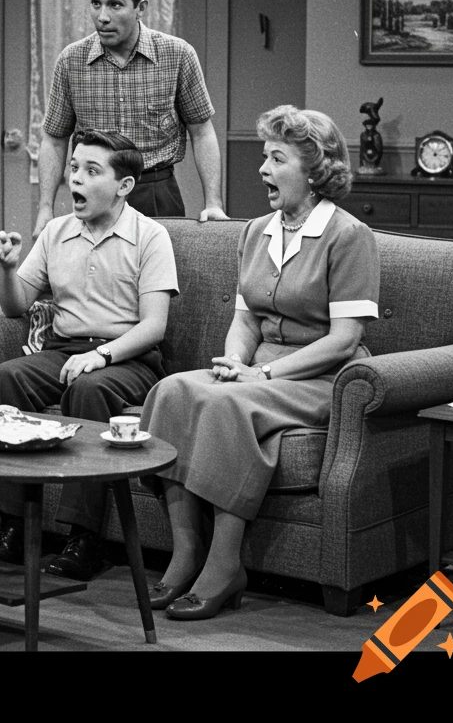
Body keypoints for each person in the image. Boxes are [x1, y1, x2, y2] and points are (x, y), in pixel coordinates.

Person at [139, 105, 379, 620]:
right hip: (261, 369)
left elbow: (344, 340)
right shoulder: (257, 232)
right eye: (263, 158)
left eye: (276, 159)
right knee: (173, 391)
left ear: (314, 170)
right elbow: (246, 320)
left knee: (231, 406)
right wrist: (233, 361)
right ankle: (186, 554)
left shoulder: (348, 236)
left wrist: (261, 375)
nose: (263, 171)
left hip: (322, 375)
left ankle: (225, 566)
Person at [0, 129, 178, 581]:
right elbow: (16, 307)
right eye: (74, 168)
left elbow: (154, 326)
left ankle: (84, 538)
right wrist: (8, 270)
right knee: (5, 379)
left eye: (92, 171)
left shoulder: (150, 236)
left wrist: (104, 356)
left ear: (124, 185)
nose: (77, 180)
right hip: (63, 349)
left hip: (128, 358)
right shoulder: (56, 232)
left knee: (88, 389)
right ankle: (13, 527)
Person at [34, 0, 228, 238]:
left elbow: (201, 132)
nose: (102, 16)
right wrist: (44, 209)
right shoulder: (71, 61)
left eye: (115, 4)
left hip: (155, 192)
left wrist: (213, 202)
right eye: (95, 3)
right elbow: (53, 139)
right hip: (95, 193)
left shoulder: (177, 55)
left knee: (158, 279)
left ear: (141, 7)